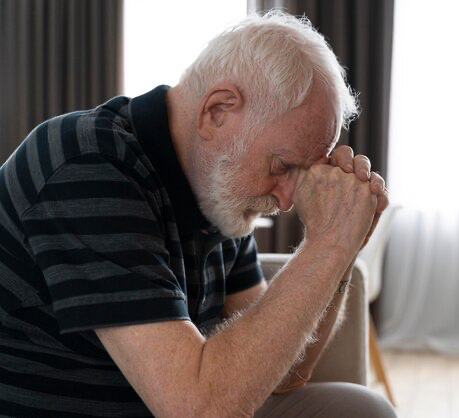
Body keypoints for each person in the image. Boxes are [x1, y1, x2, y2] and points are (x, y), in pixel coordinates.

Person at [0, 11, 394, 417]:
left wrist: (339, 250)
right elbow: (196, 409)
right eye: (283, 166)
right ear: (217, 111)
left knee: (362, 409)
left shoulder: (216, 187)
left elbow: (283, 375)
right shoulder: (86, 166)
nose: (288, 199)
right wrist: (326, 246)